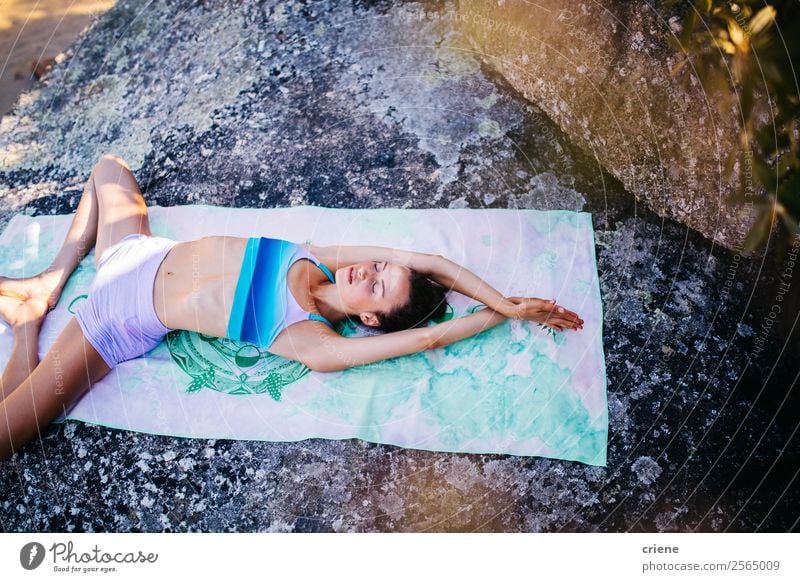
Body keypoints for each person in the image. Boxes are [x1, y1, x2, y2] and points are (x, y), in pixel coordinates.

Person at [0, 154, 584, 460]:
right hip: (132, 253)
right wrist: (504, 301)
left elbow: (428, 338)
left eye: (379, 287)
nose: (372, 270)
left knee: (7, 430)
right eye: (382, 267)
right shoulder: (322, 257)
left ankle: (29, 327)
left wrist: (493, 319)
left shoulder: (310, 342)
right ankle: (49, 282)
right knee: (109, 168)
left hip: (110, 324)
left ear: (369, 320)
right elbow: (430, 258)